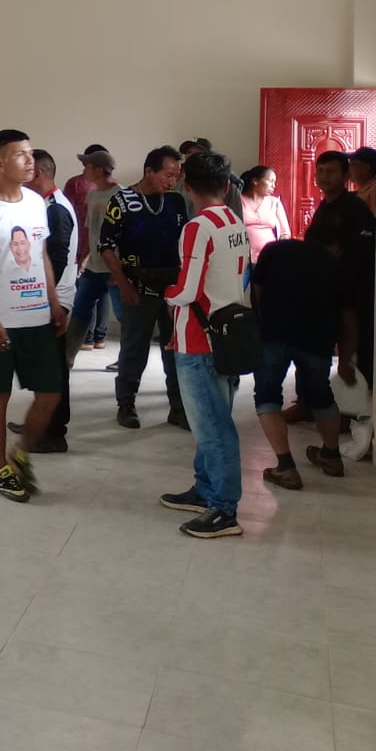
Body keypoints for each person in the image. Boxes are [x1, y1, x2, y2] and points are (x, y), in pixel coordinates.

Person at [0, 131, 67, 503]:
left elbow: (41, 255)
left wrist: (54, 302)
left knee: (50, 393)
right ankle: (0, 470)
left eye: (31, 153)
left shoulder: (36, 202)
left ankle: (20, 455)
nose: (30, 160)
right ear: (0, 163)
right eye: (21, 154)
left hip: (36, 317)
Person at [161, 150, 250, 539]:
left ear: (187, 185)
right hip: (228, 333)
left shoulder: (198, 227)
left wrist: (166, 292)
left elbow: (187, 289)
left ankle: (224, 509)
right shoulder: (234, 221)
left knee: (212, 427)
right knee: (214, 418)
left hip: (200, 339)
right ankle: (205, 489)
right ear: (227, 185)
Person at [98, 146, 189, 430]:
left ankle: (178, 408)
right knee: (134, 349)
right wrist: (122, 283)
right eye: (167, 174)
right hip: (137, 286)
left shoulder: (175, 201)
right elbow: (106, 246)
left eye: (176, 176)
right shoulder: (122, 201)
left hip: (173, 288)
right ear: (149, 171)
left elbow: (185, 242)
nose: (172, 181)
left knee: (174, 349)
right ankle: (126, 405)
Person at [250, 237, 343, 489]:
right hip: (317, 338)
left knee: (267, 395)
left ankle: (286, 466)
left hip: (274, 333)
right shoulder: (334, 264)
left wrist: (260, 325)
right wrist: (345, 358)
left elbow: (255, 293)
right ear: (334, 244)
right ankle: (331, 456)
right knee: (322, 395)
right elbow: (347, 315)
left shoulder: (274, 249)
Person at [10, 149, 77, 454]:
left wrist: (47, 301)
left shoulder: (57, 209)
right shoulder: (47, 205)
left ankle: (53, 433)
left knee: (53, 370)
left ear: (37, 173)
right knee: (43, 368)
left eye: (25, 171)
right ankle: (39, 423)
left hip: (56, 301)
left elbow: (57, 259)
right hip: (50, 299)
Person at [304, 150, 376, 393]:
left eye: (331, 171)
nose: (324, 176)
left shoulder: (356, 208)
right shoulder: (324, 207)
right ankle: (313, 400)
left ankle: (362, 404)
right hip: (322, 289)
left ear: (346, 176)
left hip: (352, 292)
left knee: (358, 349)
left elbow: (364, 251)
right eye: (320, 171)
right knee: (317, 347)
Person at [64, 150, 125, 357]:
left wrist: (120, 270)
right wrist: (84, 258)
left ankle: (126, 362)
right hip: (93, 267)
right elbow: (91, 230)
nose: (84, 170)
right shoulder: (93, 195)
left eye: (87, 166)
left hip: (114, 268)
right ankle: (66, 360)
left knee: (124, 316)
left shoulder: (121, 195)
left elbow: (127, 234)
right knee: (80, 311)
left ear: (99, 169)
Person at [240, 165, 291, 262]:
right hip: (243, 258)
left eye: (274, 182)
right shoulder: (238, 201)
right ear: (255, 181)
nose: (273, 186)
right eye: (270, 181)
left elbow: (285, 233)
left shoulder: (274, 202)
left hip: (269, 258)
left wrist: (281, 252)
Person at [180, 138, 243, 217]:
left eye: (198, 153)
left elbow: (236, 218)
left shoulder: (225, 184)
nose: (191, 157)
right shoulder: (179, 181)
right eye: (189, 152)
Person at [349, 146, 376, 216]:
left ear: (366, 168)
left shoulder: (375, 190)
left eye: (353, 164)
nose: (349, 169)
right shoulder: (364, 190)